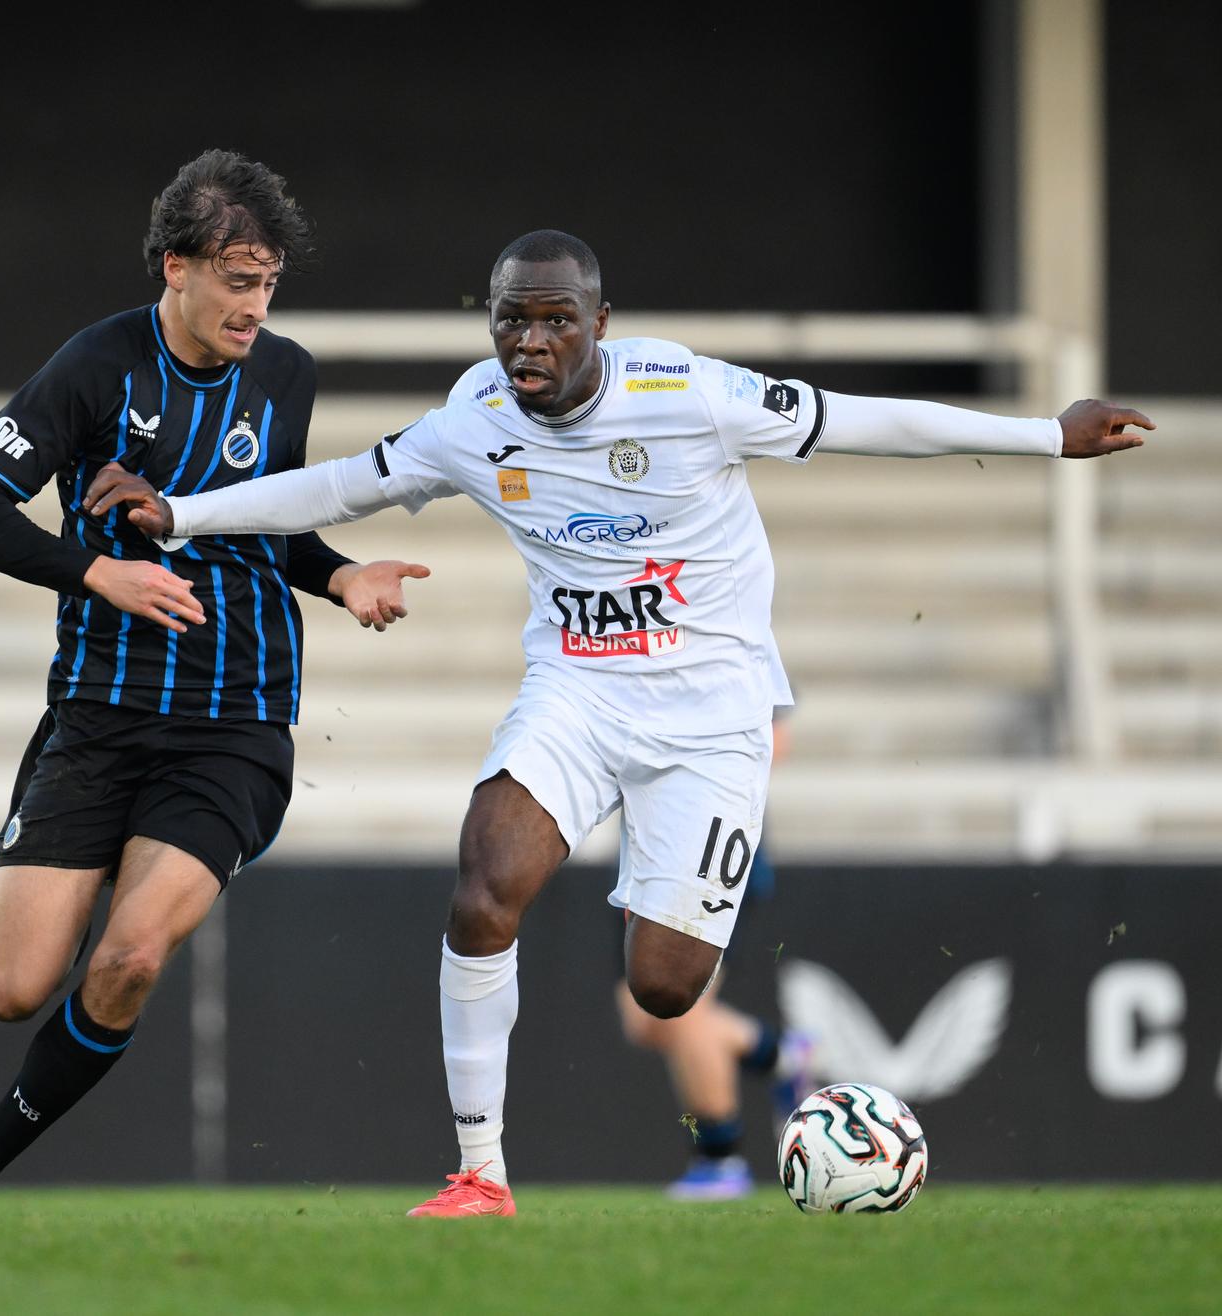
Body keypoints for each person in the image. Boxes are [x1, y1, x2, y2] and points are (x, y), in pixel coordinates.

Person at [81, 228, 1150, 1217]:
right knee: (484, 886)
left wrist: (1045, 436)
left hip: (713, 707)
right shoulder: (474, 419)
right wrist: (181, 513)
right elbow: (343, 484)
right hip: (578, 693)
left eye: (554, 319)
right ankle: (480, 1170)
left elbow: (860, 421)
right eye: (511, 318)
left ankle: (781, 1061)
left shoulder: (690, 391)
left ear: (602, 321)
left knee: (665, 987)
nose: (529, 340)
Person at [0, 149, 427, 1220]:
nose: (257, 304)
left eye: (270, 281)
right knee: (11, 987)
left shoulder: (284, 373)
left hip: (235, 723)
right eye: (238, 279)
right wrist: (96, 568)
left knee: (133, 954)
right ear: (175, 267)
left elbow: (270, 523)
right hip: (98, 715)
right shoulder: (95, 367)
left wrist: (340, 574)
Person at [614, 710, 812, 1201]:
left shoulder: (729, 641)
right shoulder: (635, 643)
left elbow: (774, 740)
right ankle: (781, 1053)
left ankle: (721, 1158)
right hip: (648, 852)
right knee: (646, 1019)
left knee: (684, 1008)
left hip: (709, 848)